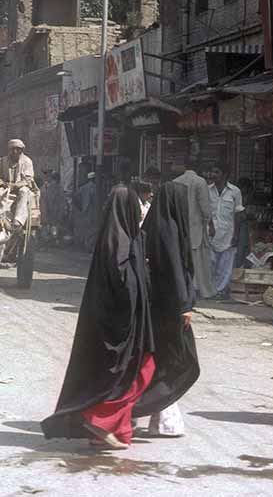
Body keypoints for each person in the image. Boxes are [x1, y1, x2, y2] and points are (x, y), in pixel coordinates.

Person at [41, 187, 156, 450]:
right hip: (120, 324)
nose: (139, 209)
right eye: (135, 205)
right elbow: (123, 280)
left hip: (122, 322)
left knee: (124, 374)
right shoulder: (119, 240)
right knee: (137, 371)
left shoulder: (126, 236)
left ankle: (110, 429)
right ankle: (99, 420)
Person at [133, 180, 200, 438]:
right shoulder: (169, 229)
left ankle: (160, 417)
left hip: (156, 303)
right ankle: (148, 411)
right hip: (170, 305)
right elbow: (175, 270)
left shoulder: (155, 224)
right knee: (179, 360)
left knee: (163, 359)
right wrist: (185, 305)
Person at [172, 161, 216, 299]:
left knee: (182, 260)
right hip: (196, 228)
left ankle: (183, 289)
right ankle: (201, 290)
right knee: (199, 262)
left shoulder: (175, 181)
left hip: (180, 227)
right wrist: (210, 223)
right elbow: (205, 208)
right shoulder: (200, 182)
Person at [207, 166, 244, 299]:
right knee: (209, 263)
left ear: (225, 174)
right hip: (210, 233)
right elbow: (205, 211)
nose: (213, 174)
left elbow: (238, 214)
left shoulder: (235, 191)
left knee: (225, 265)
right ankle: (209, 289)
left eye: (217, 172)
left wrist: (236, 235)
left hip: (228, 233)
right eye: (212, 171)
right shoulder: (207, 190)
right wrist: (210, 225)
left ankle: (219, 291)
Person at [0, 139, 36, 229]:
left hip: (22, 187)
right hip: (6, 186)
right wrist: (4, 184)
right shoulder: (3, 161)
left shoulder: (27, 161)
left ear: (22, 150)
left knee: (24, 192)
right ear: (9, 150)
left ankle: (18, 220)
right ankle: (5, 218)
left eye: (18, 149)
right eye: (12, 149)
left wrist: (15, 185)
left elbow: (28, 179)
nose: (15, 151)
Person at [40, 171, 66, 243]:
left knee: (52, 225)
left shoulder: (52, 187)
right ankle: (51, 239)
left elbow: (49, 200)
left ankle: (51, 239)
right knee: (52, 225)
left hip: (52, 210)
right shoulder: (56, 187)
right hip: (53, 210)